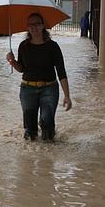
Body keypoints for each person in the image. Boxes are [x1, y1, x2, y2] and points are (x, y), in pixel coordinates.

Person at [6, 12, 72, 142]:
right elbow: (22, 69)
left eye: (37, 24)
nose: (34, 27)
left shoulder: (53, 47)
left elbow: (61, 72)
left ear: (43, 26)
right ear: (27, 27)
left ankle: (48, 155)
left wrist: (67, 96)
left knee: (47, 121)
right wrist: (12, 62)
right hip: (27, 89)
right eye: (30, 24)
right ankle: (31, 157)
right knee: (30, 130)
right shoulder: (23, 46)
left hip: (49, 89)